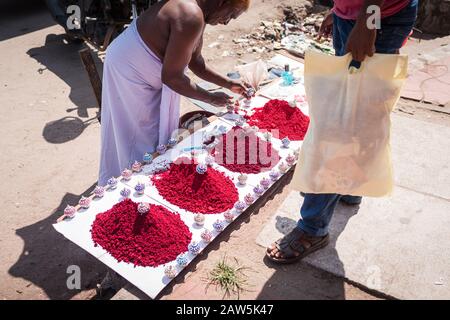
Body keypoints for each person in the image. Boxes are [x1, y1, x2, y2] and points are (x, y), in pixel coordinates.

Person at [266, 0, 418, 264]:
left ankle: (312, 228)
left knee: (341, 128)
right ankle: (348, 187)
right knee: (356, 113)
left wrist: (366, 21)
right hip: (359, 13)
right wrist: (341, 11)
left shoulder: (371, 18)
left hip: (378, 14)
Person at [98, 0, 251, 185]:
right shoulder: (190, 14)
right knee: (138, 137)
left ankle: (135, 176)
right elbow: (172, 77)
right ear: (221, 2)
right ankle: (130, 185)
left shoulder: (198, 13)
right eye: (231, 14)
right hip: (128, 69)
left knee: (146, 137)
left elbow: (195, 61)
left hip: (135, 66)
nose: (227, 22)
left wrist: (228, 83)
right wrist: (211, 98)